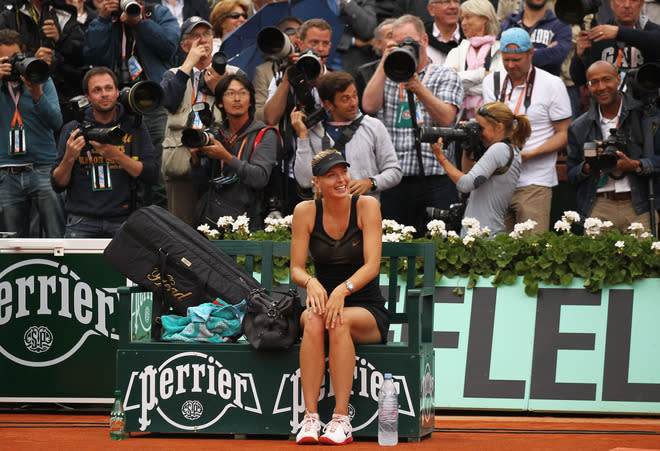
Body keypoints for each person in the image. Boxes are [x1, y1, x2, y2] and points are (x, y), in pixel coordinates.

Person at [290, 149, 389, 446]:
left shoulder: (367, 205)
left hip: (365, 308)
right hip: (323, 307)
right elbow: (296, 267)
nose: (341, 179)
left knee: (338, 321)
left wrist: (341, 290)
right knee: (312, 320)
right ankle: (310, 418)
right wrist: (311, 282)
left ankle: (341, 419)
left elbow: (372, 265)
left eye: (343, 172)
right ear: (317, 182)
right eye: (331, 175)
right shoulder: (305, 212)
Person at [362, 14, 464, 234]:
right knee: (394, 244)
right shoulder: (387, 77)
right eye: (398, 44)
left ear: (425, 41)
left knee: (440, 245)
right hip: (395, 178)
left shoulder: (445, 75)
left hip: (436, 175)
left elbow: (447, 118)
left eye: (409, 43)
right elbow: (368, 106)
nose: (404, 48)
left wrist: (419, 88)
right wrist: (385, 61)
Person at [83, 0, 180, 208]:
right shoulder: (106, 18)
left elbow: (170, 48)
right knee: (118, 170)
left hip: (151, 103)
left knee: (156, 175)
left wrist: (139, 22)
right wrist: (102, 20)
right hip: (113, 106)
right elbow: (92, 55)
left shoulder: (157, 13)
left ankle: (157, 226)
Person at [482, 27, 572, 233]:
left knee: (531, 252)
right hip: (497, 182)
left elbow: (564, 134)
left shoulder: (552, 84)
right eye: (506, 60)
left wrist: (529, 155)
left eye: (517, 60)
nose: (511, 65)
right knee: (496, 253)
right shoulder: (491, 82)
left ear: (531, 53)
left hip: (534, 182)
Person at [52, 66, 159, 237]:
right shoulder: (73, 129)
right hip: (82, 220)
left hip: (124, 218)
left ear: (117, 92)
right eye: (97, 90)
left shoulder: (134, 126)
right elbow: (58, 184)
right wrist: (69, 157)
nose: (104, 94)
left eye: (109, 88)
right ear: (87, 96)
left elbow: (151, 175)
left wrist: (116, 155)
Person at [161, 16, 241, 226]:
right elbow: (168, 102)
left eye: (206, 34)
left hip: (220, 159)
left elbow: (243, 113)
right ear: (184, 45)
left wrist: (218, 87)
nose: (202, 40)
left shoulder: (233, 73)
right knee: (182, 230)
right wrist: (188, 64)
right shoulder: (172, 75)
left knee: (221, 228)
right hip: (182, 161)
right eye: (195, 36)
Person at [566, 60, 660, 232]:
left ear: (618, 78)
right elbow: (571, 174)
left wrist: (635, 165)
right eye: (594, 82)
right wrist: (588, 166)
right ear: (588, 86)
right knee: (596, 259)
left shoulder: (645, 115)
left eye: (606, 79)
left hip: (639, 206)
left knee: (642, 259)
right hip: (597, 205)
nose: (601, 87)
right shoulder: (579, 127)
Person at [290, 71, 402, 202]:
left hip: (365, 211)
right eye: (345, 99)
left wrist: (371, 183)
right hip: (325, 212)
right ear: (328, 104)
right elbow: (305, 181)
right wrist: (302, 136)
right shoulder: (312, 130)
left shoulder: (374, 126)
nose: (353, 103)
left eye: (355, 96)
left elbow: (394, 171)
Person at [264, 18, 335, 215]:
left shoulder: (334, 78)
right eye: (314, 43)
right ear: (300, 44)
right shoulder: (281, 77)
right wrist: (288, 78)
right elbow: (270, 118)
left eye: (324, 43)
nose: (319, 48)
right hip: (289, 168)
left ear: (330, 45)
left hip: (328, 169)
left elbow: (338, 115)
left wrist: (318, 80)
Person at [192, 73, 278, 231]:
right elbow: (200, 186)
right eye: (230, 93)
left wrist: (226, 157)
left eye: (242, 93)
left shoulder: (264, 134)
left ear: (251, 101)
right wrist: (195, 160)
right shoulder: (215, 136)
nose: (237, 99)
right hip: (213, 221)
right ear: (220, 103)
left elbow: (259, 178)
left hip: (248, 220)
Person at [0, 29, 64, 237]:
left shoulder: (40, 78)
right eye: (4, 60)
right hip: (6, 172)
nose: (10, 64)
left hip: (43, 168)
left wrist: (38, 95)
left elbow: (56, 122)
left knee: (56, 238)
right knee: (12, 244)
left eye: (14, 58)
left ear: (24, 54)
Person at [432, 102, 531, 237]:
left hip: (484, 236)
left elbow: (465, 184)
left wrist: (441, 158)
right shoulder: (510, 149)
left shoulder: (499, 149)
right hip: (484, 232)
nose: (479, 133)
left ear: (499, 127)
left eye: (481, 128)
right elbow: (469, 175)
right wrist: (469, 148)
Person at [0, 0, 85, 113]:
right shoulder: (10, 16)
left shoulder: (65, 14)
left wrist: (59, 40)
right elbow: (5, 57)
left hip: (65, 96)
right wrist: (32, 60)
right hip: (20, 96)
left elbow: (81, 56)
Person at [570, 0, 660, 87]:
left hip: (646, 100)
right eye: (621, 0)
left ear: (641, 4)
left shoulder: (652, 31)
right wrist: (579, 56)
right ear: (611, 3)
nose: (627, 5)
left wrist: (619, 32)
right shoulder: (599, 35)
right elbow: (579, 80)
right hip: (608, 100)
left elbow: (655, 40)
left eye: (634, 0)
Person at [444, 0, 504, 120]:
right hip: (460, 122)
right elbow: (447, 83)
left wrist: (462, 82)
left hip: (493, 120)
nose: (463, 23)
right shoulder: (456, 51)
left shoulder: (501, 51)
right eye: (462, 19)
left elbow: (500, 86)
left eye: (468, 17)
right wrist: (482, 75)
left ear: (484, 18)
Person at [500, 0, 572, 76]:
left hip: (545, 85)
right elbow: (497, 58)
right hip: (511, 85)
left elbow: (558, 54)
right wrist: (544, 52)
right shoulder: (507, 25)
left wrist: (514, 55)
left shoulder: (560, 26)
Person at [253, 15, 302, 122]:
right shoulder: (263, 71)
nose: (297, 35)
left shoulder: (311, 65)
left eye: (301, 30)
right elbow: (259, 114)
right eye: (290, 31)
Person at [355, 18, 396, 109]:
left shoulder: (418, 68)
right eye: (390, 36)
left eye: (400, 36)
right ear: (378, 44)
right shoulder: (365, 73)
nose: (396, 41)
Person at [425, 0, 464, 66]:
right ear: (431, 9)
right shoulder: (421, 38)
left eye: (456, 1)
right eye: (446, 2)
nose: (453, 6)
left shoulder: (471, 37)